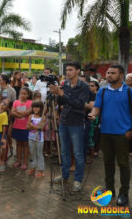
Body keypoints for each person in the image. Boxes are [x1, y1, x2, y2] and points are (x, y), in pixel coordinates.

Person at [88, 65, 132, 206]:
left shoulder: (129, 92)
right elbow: (97, 107)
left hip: (123, 134)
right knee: (108, 163)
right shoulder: (103, 90)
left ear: (121, 75)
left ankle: (124, 193)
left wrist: (130, 130)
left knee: (123, 164)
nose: (109, 75)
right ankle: (110, 189)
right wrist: (93, 114)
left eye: (113, 73)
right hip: (105, 132)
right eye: (108, 72)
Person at [50, 62, 90, 192]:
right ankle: (65, 175)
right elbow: (62, 102)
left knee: (78, 153)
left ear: (78, 71)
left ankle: (78, 180)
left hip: (76, 122)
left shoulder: (83, 86)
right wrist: (57, 94)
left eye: (71, 70)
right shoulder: (65, 84)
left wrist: (62, 95)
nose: (68, 72)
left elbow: (79, 104)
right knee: (64, 151)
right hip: (64, 121)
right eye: (66, 70)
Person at [11, 87, 32, 170]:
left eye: (24, 94)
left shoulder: (30, 103)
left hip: (26, 127)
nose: (22, 95)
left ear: (28, 95)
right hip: (17, 126)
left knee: (25, 145)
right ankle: (19, 160)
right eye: (21, 93)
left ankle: (25, 162)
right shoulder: (16, 102)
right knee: (18, 144)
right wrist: (22, 114)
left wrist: (18, 112)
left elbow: (28, 113)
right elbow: (12, 113)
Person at [27, 100, 45, 178]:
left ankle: (41, 170)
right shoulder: (31, 116)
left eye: (37, 107)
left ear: (41, 108)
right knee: (32, 152)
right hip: (31, 137)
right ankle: (33, 167)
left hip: (39, 139)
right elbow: (27, 126)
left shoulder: (43, 117)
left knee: (39, 154)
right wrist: (34, 126)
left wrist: (32, 125)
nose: (35, 109)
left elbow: (41, 128)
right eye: (34, 107)